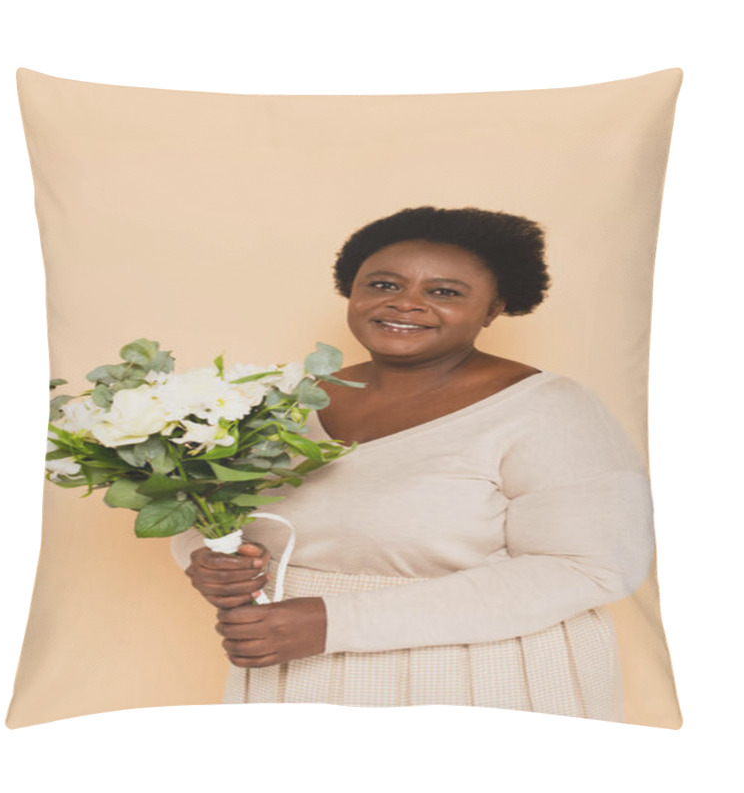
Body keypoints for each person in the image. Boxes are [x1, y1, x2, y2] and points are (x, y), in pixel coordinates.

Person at [171, 205, 655, 720]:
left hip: (484, 677)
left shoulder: (548, 408)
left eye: (444, 292)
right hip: (294, 667)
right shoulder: (282, 402)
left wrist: (335, 622)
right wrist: (209, 561)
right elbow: (211, 511)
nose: (406, 304)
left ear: (494, 308)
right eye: (382, 285)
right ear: (351, 290)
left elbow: (589, 567)